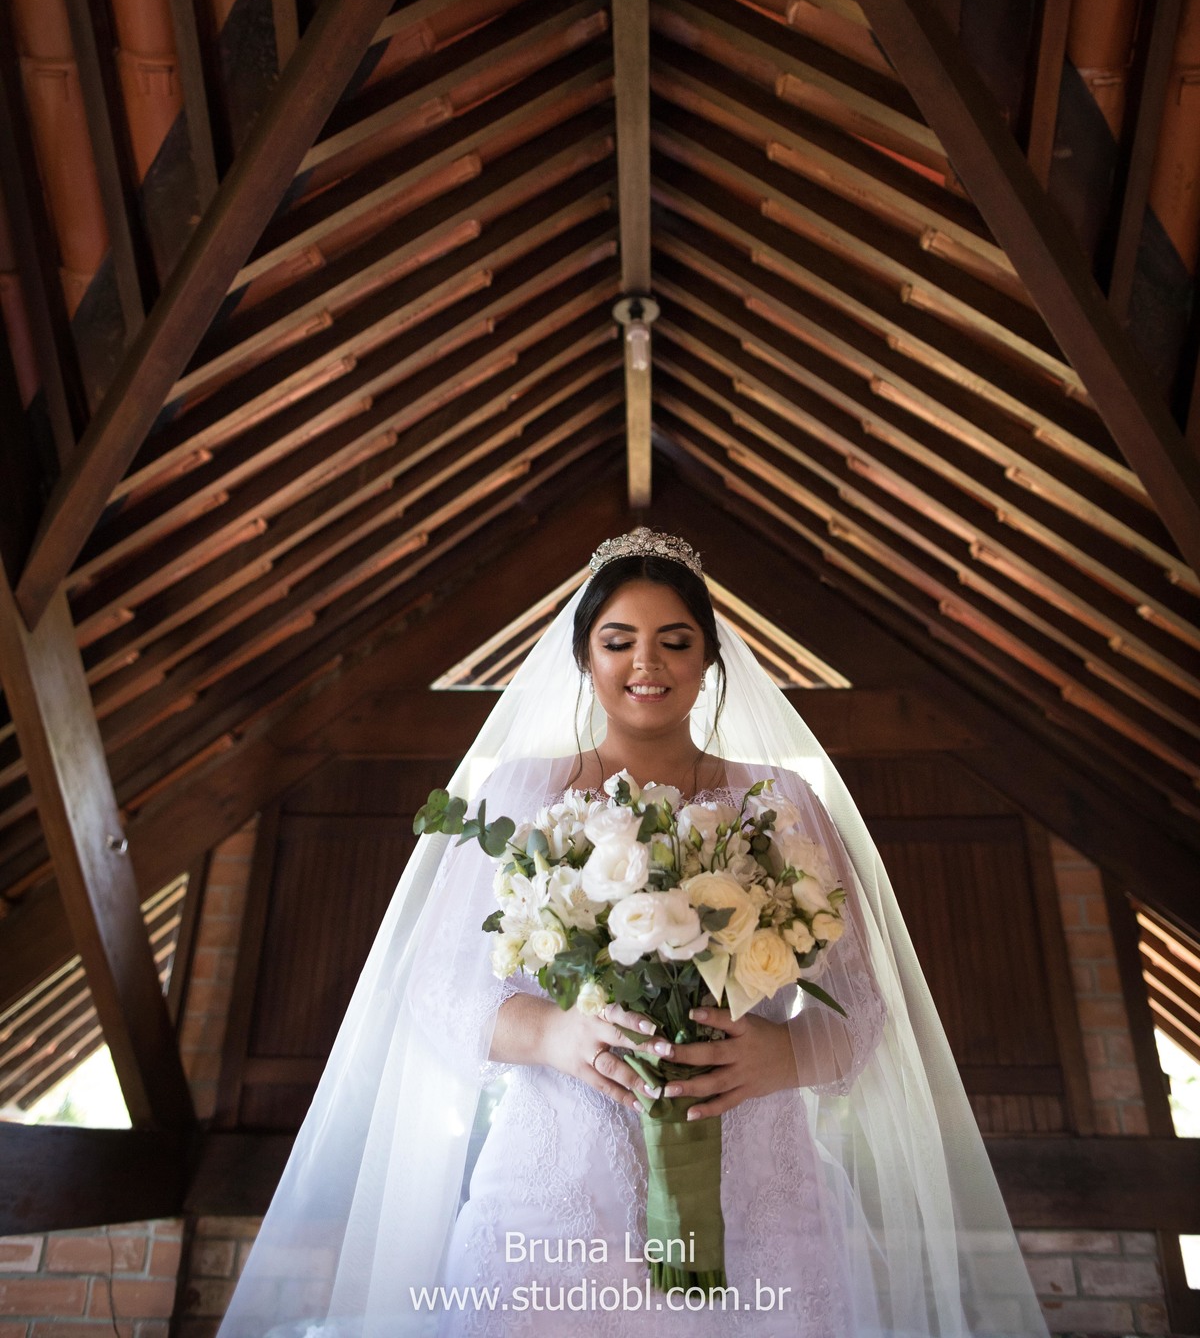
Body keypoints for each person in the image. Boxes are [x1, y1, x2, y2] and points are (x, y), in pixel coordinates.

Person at [213, 528, 1051, 1338]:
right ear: (585, 657)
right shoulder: (519, 794)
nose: (646, 663)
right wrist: (553, 1033)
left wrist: (782, 1055)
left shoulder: (784, 803)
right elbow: (436, 989)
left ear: (711, 659)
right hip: (550, 1214)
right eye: (619, 640)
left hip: (762, 1213)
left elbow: (865, 1007)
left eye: (675, 640)